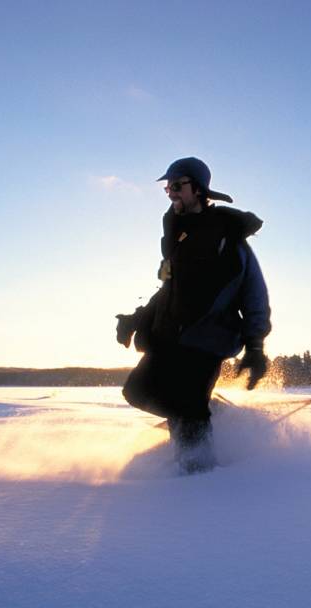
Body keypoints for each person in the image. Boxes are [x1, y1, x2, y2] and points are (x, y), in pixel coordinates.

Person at [115, 156, 270, 473]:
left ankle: (199, 477)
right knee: (137, 391)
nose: (170, 192)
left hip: (208, 339)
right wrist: (137, 318)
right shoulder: (177, 236)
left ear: (198, 189)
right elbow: (168, 289)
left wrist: (255, 347)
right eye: (167, 187)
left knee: (187, 407)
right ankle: (206, 413)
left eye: (177, 185)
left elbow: (254, 293)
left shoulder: (228, 236)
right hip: (170, 337)